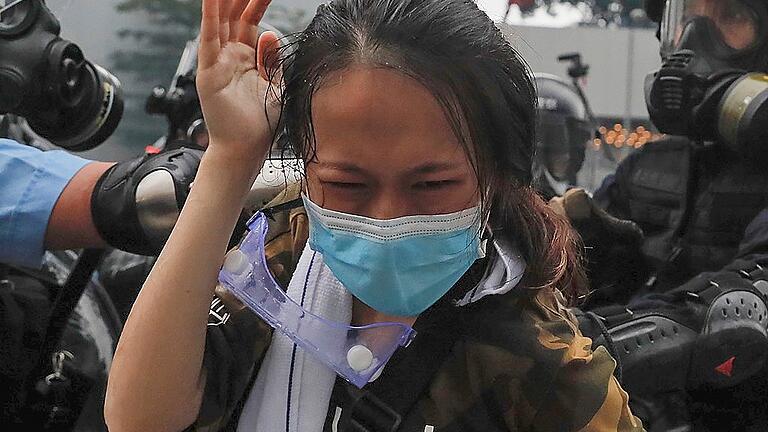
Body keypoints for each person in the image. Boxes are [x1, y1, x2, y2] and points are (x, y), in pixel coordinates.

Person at [105, 0, 644, 431]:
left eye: (431, 184)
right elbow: (142, 417)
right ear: (305, 170)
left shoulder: (543, 364)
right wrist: (232, 155)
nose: (387, 219)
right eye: (346, 184)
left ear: (497, 174)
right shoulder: (274, 270)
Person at [556, 0, 768, 430]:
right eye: (685, 19)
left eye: (732, 18)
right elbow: (565, 278)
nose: (692, 40)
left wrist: (592, 343)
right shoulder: (649, 165)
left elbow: (740, 309)